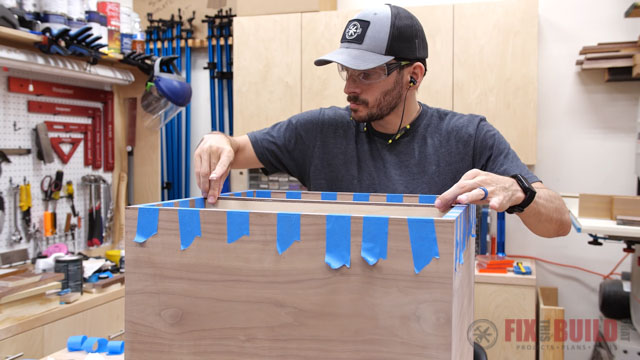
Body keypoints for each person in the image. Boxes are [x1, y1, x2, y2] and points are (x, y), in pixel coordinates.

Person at [194, 4, 571, 238]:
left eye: (366, 74)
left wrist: (521, 193)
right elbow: (235, 147)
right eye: (346, 72)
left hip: (430, 328)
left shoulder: (469, 137)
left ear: (414, 75)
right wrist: (216, 140)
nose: (350, 89)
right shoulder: (319, 132)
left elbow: (559, 223)